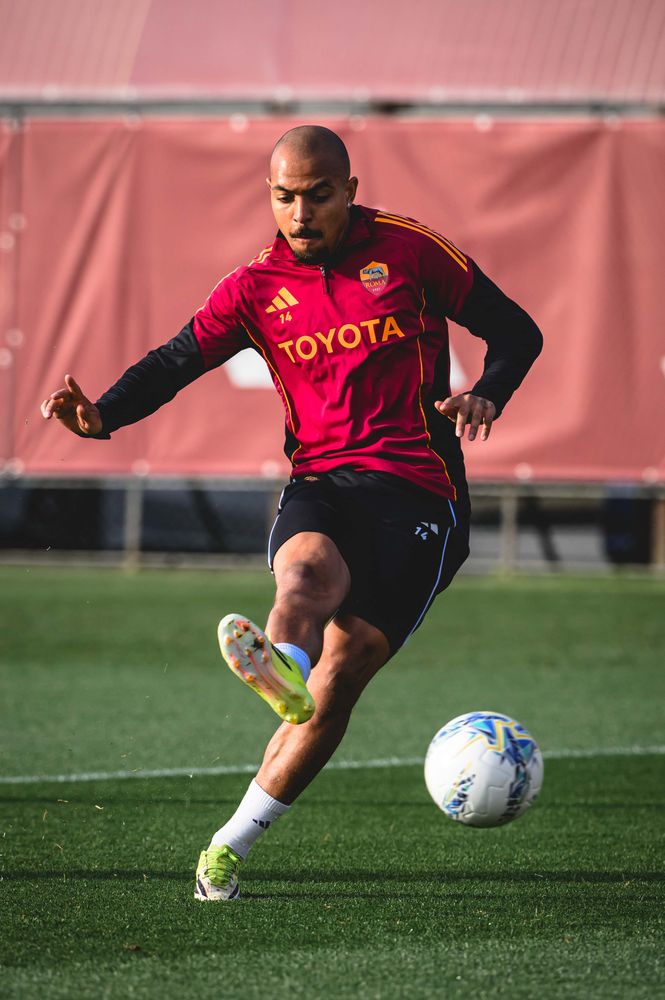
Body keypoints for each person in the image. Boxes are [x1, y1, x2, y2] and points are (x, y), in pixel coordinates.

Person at [41, 125, 542, 901]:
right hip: (322, 479)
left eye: (317, 195)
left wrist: (487, 393)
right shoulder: (253, 288)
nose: (300, 212)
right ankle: (281, 670)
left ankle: (229, 843)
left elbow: (515, 330)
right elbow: (176, 360)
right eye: (284, 196)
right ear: (269, 196)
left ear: (348, 190)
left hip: (420, 493)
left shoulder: (408, 250)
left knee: (342, 677)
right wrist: (103, 415)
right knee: (303, 576)